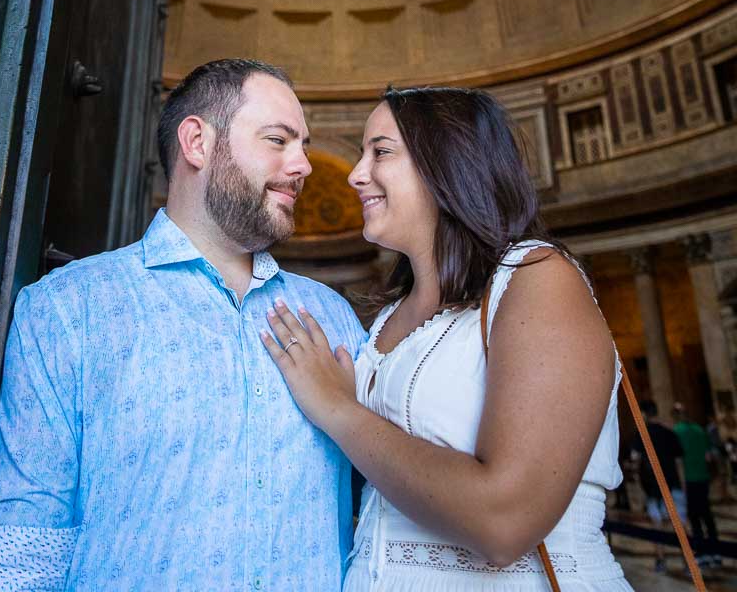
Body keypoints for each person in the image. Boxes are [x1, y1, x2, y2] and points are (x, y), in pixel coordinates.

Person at [0, 58, 365, 591]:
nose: (304, 165)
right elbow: (26, 545)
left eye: (304, 144)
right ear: (197, 142)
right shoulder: (67, 309)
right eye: (278, 140)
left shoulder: (333, 318)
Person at [262, 85, 633, 590]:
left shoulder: (536, 277)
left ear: (448, 165)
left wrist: (338, 408)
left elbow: (505, 523)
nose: (355, 174)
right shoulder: (391, 314)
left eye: (381, 152)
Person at [629, 399, 686, 574]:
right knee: (681, 524)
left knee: (656, 524)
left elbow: (634, 459)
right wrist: (682, 485)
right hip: (673, 484)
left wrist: (638, 489)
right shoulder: (670, 433)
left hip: (653, 486)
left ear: (644, 414)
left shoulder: (642, 434)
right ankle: (687, 561)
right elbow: (678, 463)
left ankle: (661, 560)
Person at [673, 402, 721, 568]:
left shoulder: (677, 432)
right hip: (703, 477)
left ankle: (701, 553)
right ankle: (716, 552)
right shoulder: (700, 430)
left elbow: (677, 460)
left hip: (689, 479)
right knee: (707, 515)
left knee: (694, 517)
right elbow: (709, 456)